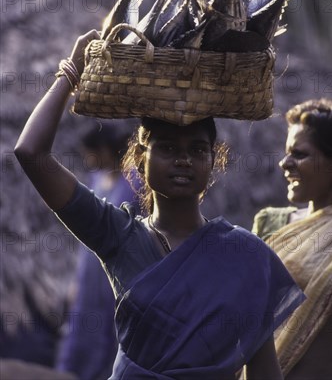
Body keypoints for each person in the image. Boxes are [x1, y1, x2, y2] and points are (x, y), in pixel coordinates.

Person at [15, 29, 305, 379]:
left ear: (215, 161)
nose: (183, 160)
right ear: (139, 159)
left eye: (197, 150)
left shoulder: (248, 256)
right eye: (167, 148)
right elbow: (31, 153)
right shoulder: (117, 236)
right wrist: (70, 72)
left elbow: (264, 372)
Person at [252, 98, 332, 380]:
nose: (284, 163)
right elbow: (247, 319)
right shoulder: (270, 224)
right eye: (286, 153)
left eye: (299, 154)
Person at [56, 121, 140, 380]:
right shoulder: (96, 179)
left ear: (104, 151)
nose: (87, 159)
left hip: (117, 275)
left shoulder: (134, 184)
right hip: (90, 273)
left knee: (112, 338)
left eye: (90, 153)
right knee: (82, 332)